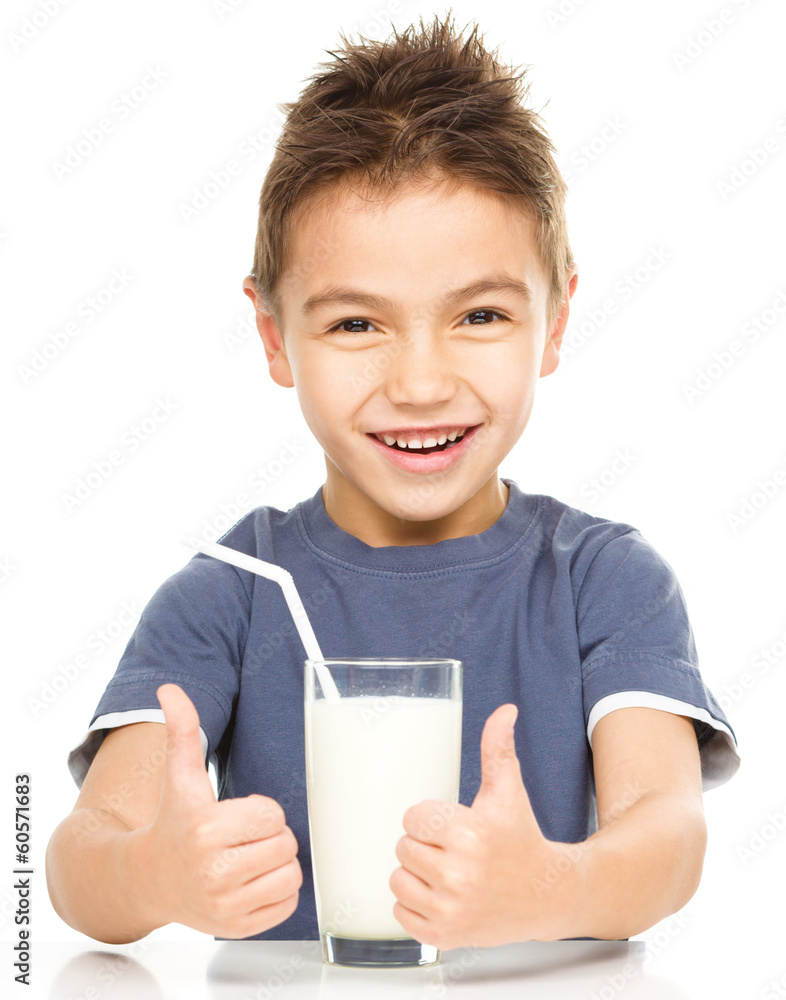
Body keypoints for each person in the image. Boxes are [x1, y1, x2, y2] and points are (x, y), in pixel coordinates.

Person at [45, 11, 740, 949]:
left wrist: (555, 888)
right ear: (272, 335)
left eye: (482, 314)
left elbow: (669, 836)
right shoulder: (233, 593)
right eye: (355, 325)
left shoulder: (602, 581)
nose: (419, 384)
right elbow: (78, 862)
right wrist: (153, 872)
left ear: (557, 319)